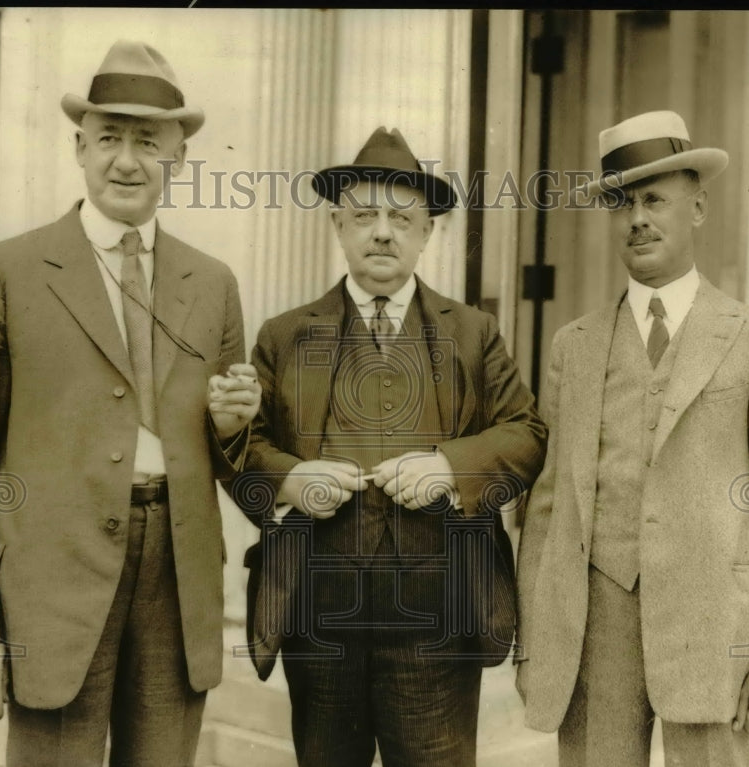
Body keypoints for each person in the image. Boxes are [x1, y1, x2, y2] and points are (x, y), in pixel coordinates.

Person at [0, 40, 261, 766]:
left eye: (148, 140)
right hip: (53, 589)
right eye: (109, 137)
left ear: (178, 156)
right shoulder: (5, 271)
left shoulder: (213, 283)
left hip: (177, 583)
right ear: (79, 147)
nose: (127, 160)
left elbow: (234, 460)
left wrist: (235, 428)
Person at [230, 127, 546, 767]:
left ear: (428, 231)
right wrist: (291, 480)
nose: (383, 232)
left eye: (402, 218)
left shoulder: (475, 333)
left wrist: (450, 468)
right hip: (318, 622)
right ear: (338, 225)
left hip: (437, 621)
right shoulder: (285, 336)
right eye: (365, 216)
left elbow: (528, 434)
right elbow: (241, 448)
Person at [515, 110, 749, 767]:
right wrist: (535, 641)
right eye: (622, 203)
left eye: (655, 199)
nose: (638, 219)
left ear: (698, 207)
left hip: (714, 629)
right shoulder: (575, 343)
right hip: (596, 627)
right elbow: (548, 507)